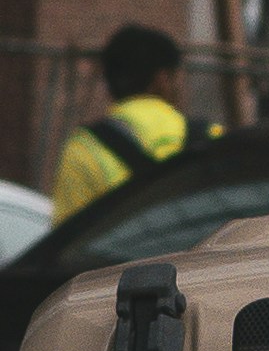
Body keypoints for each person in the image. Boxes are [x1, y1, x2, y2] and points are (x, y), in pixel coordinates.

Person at [50, 23, 189, 219]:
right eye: (178, 79)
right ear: (162, 80)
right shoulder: (211, 137)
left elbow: (65, 240)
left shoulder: (83, 150)